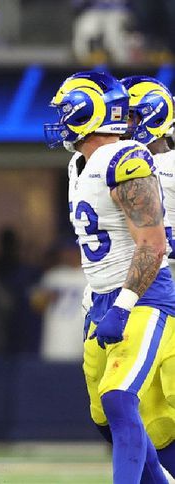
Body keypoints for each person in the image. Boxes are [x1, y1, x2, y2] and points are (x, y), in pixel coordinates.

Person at [45, 70, 175, 482]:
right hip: (101, 296)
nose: (60, 118)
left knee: (122, 399)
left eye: (66, 109)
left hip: (143, 295)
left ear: (86, 110)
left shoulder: (127, 159)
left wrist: (123, 305)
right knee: (104, 415)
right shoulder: (78, 164)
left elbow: (152, 244)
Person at [119, 74, 175, 476]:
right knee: (153, 416)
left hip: (164, 291)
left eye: (130, 116)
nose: (122, 124)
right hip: (149, 296)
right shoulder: (119, 164)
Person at [32, 241, 87, 362]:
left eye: (73, 251)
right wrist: (45, 297)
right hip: (55, 339)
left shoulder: (91, 274)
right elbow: (36, 306)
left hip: (81, 338)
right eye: (66, 252)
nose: (69, 255)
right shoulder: (53, 275)